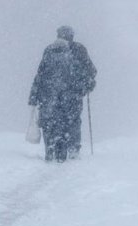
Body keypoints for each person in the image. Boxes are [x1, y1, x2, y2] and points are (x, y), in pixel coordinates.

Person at [29, 25, 96, 162]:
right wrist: (86, 86)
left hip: (49, 95)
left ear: (58, 35)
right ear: (72, 35)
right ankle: (72, 149)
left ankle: (51, 148)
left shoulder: (49, 50)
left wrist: (34, 96)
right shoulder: (79, 49)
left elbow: (40, 75)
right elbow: (91, 71)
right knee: (72, 121)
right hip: (72, 95)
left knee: (51, 122)